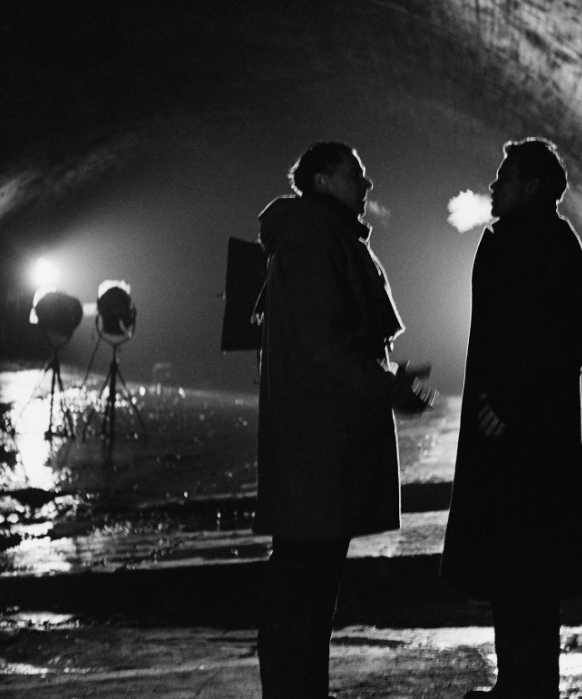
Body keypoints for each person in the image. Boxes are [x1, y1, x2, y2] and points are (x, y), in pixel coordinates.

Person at [253, 141, 428, 699]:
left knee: (307, 584)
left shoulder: (320, 233)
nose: (366, 184)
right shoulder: (314, 236)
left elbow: (333, 338)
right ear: (324, 178)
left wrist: (389, 376)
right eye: (357, 173)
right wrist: (388, 386)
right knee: (302, 586)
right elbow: (325, 345)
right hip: (317, 445)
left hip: (321, 441)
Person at [441, 138, 582, 699]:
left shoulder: (541, 243)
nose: (494, 185)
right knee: (521, 572)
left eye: (505, 176)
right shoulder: (533, 239)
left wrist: (508, 404)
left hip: (522, 437)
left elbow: (570, 336)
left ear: (532, 186)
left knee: (524, 569)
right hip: (521, 432)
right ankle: (521, 684)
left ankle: (528, 688)